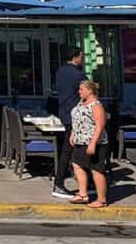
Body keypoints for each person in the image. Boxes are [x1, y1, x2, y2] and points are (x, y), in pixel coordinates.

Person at [68, 80, 109, 208]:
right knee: (77, 164)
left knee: (96, 170)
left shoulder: (96, 105)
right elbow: (77, 120)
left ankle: (101, 200)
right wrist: (73, 134)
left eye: (81, 89)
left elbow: (100, 126)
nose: (79, 92)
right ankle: (82, 194)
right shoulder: (81, 102)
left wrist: (93, 143)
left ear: (90, 91)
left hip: (94, 142)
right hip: (81, 141)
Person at [52, 46, 86, 199]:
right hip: (76, 117)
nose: (82, 59)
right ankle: (59, 183)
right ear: (75, 57)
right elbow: (87, 92)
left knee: (72, 149)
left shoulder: (60, 71)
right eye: (81, 56)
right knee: (70, 150)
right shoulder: (78, 74)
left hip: (64, 113)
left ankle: (84, 182)